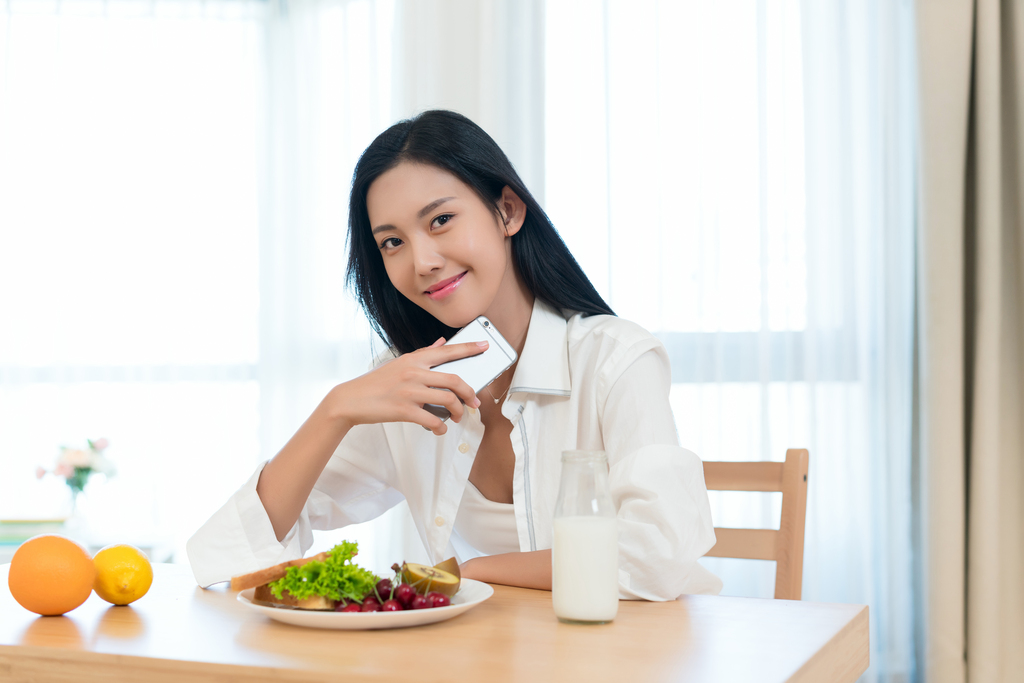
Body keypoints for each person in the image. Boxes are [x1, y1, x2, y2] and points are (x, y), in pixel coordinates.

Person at [187, 110, 721, 600]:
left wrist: (477, 571)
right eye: (391, 242)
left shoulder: (613, 360)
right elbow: (232, 553)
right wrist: (336, 409)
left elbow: (657, 556)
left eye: (440, 220)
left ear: (507, 211)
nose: (421, 260)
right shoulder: (412, 382)